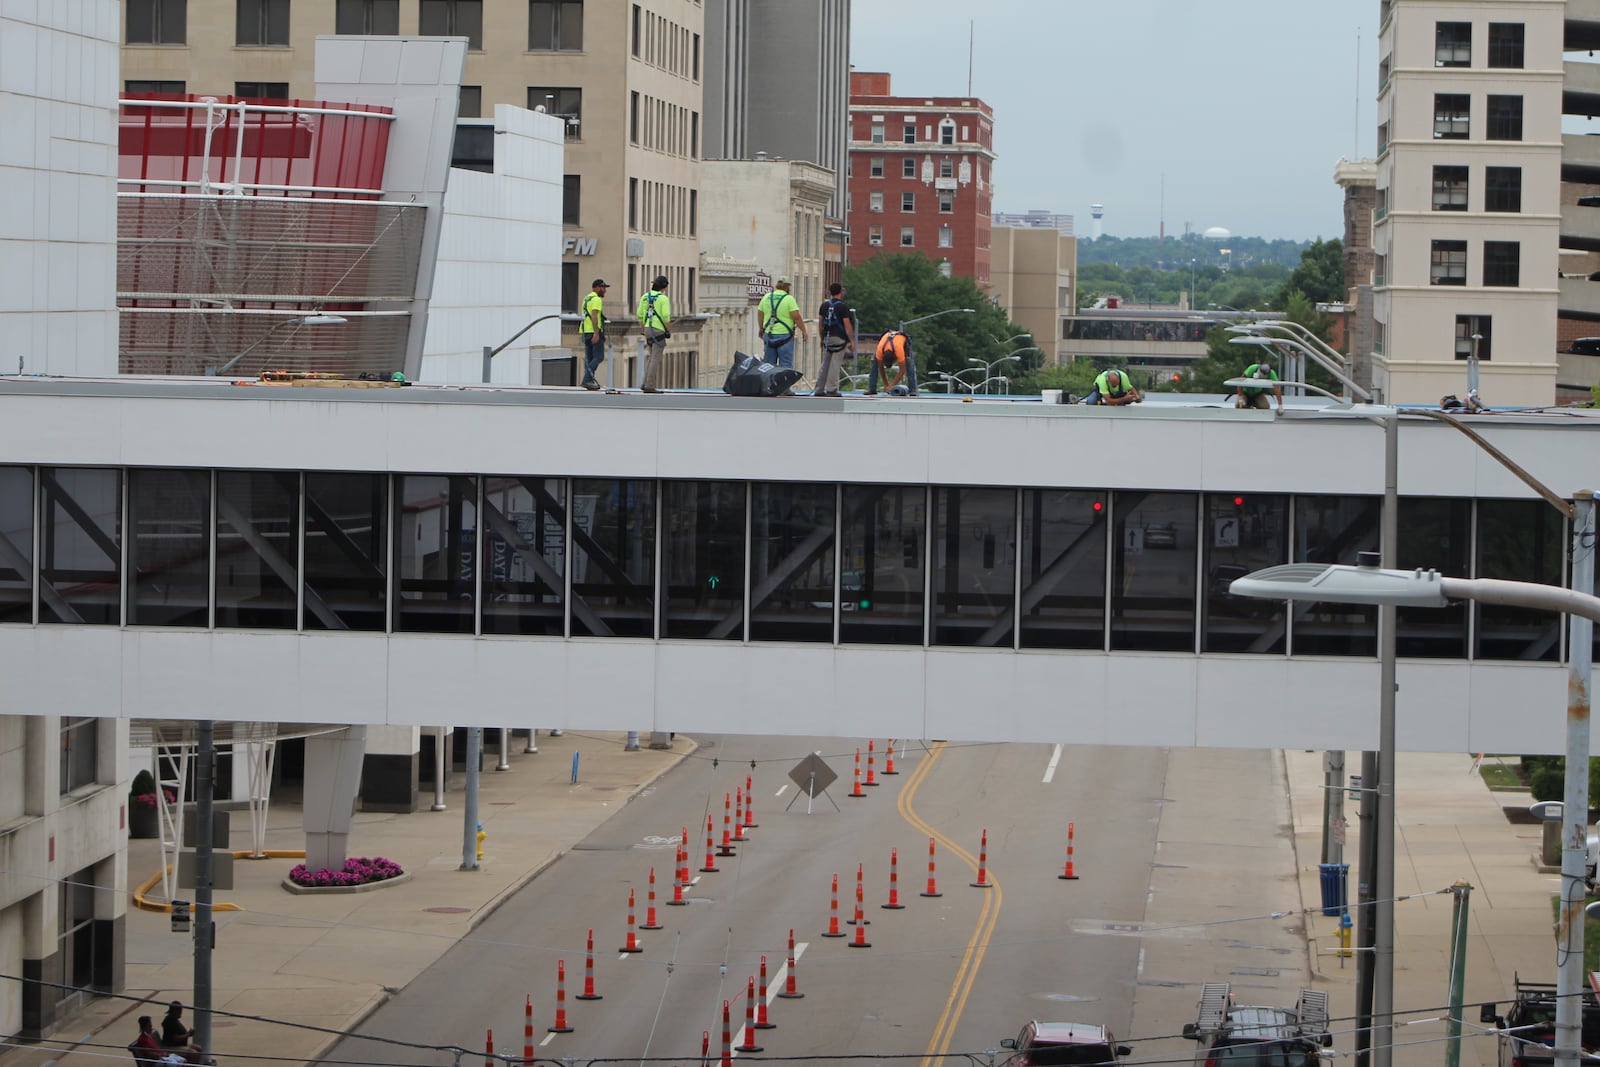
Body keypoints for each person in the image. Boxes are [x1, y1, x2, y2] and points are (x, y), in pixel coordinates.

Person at [813, 283, 854, 397]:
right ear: (841, 292)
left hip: (827, 338)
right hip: (839, 339)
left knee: (825, 364)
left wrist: (822, 339)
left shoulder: (824, 306)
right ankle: (832, 389)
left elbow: (821, 324)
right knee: (835, 364)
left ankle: (819, 388)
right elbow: (847, 325)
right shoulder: (843, 307)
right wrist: (851, 341)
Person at [757, 279, 808, 370]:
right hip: (785, 337)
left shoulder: (766, 297)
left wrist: (761, 328)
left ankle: (769, 384)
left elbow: (760, 314)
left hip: (769, 335)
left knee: (768, 366)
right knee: (785, 366)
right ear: (786, 287)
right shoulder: (789, 299)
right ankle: (784, 384)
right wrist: (803, 331)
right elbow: (796, 317)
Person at [636, 275, 671, 393]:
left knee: (651, 357)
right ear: (664, 287)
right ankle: (649, 385)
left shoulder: (645, 297)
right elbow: (666, 316)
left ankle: (645, 382)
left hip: (647, 329)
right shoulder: (663, 298)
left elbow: (640, 315)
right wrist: (668, 330)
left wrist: (643, 330)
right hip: (658, 330)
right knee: (655, 358)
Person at [865, 330, 918, 397]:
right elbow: (881, 368)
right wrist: (886, 384)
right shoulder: (880, 352)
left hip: (902, 340)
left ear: (895, 358)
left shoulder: (899, 351)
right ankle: (872, 389)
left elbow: (902, 370)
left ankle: (912, 390)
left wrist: (892, 385)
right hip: (886, 340)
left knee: (909, 362)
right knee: (874, 362)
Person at [579, 278, 608, 391]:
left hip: (585, 330)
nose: (604, 290)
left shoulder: (587, 298)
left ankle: (590, 380)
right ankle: (587, 379)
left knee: (590, 357)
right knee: (599, 356)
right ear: (596, 288)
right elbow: (594, 315)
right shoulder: (596, 299)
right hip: (593, 331)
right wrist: (596, 333)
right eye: (602, 287)